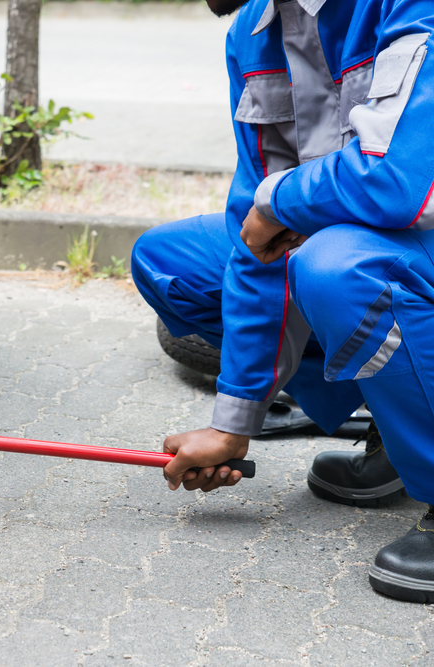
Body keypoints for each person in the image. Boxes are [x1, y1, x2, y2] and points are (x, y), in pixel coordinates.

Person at [131, 0, 434, 603]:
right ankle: (399, 434)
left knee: (337, 268)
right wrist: (233, 421)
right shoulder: (254, 28)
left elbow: (396, 184)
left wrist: (281, 204)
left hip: (412, 236)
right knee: (173, 265)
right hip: (369, 236)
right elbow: (257, 229)